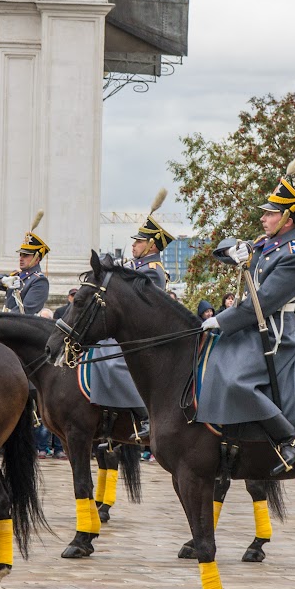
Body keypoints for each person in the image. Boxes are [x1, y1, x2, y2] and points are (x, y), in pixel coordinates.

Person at [199, 155, 295, 474]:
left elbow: (262, 302)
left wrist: (221, 319)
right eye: (265, 214)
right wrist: (232, 251)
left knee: (237, 380)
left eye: (270, 214)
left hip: (278, 332)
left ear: (287, 219)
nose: (264, 219)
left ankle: (289, 440)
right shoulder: (268, 244)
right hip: (257, 327)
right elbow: (227, 249)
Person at [87, 190, 174, 443]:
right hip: (132, 331)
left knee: (115, 361)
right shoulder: (138, 266)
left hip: (146, 335)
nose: (134, 244)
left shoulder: (153, 271)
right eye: (134, 241)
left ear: (152, 245)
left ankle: (146, 415)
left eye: (138, 241)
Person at [0, 211, 50, 315]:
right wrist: (3, 280)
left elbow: (26, 311)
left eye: (26, 255)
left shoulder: (39, 281)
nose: (21, 258)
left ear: (37, 259)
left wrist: (1, 319)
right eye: (21, 255)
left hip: (21, 328)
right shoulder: (16, 276)